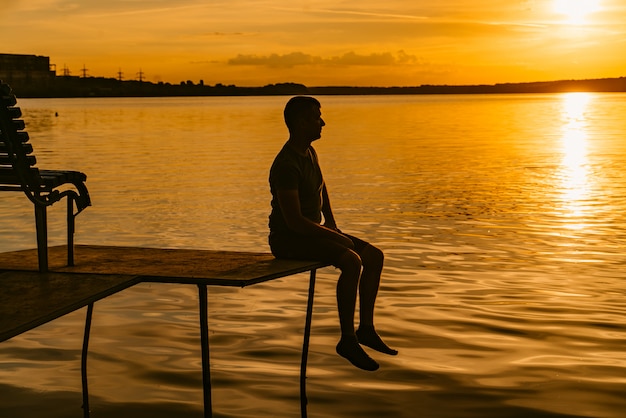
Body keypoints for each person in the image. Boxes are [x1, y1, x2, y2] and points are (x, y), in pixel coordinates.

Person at [268, 96, 397, 371]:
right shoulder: (286, 164)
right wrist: (336, 239)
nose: (322, 122)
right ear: (301, 123)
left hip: (312, 233)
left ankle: (366, 329)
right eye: (316, 117)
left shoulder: (310, 153)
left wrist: (332, 224)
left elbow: (321, 187)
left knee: (373, 256)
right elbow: (293, 222)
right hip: (288, 240)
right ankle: (347, 340)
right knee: (351, 260)